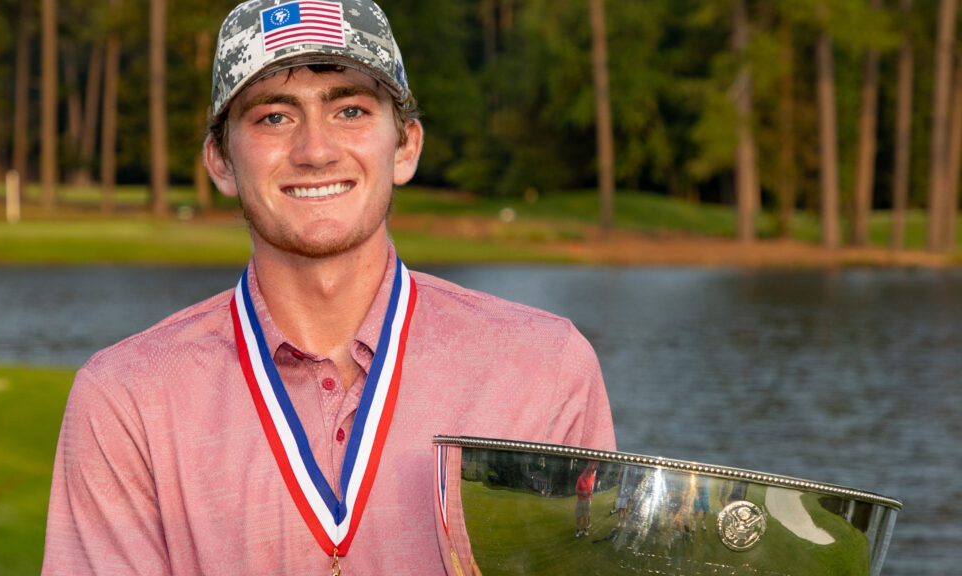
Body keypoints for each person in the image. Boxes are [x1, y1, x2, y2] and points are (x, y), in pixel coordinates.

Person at [41, 0, 615, 574]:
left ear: (406, 146)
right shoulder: (127, 399)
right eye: (274, 117)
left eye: (351, 111)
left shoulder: (544, 369)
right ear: (219, 161)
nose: (315, 151)